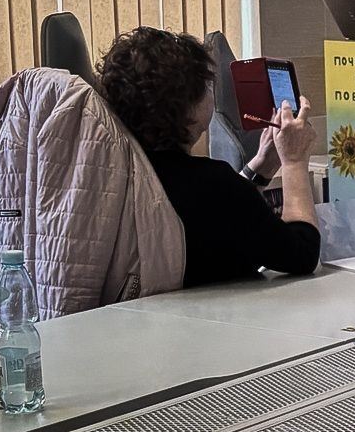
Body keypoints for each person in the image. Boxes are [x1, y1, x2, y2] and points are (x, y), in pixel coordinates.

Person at [98, 28, 320, 287]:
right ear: (187, 106)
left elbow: (230, 211)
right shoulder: (210, 184)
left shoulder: (120, 174)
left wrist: (261, 169)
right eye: (206, 86)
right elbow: (302, 254)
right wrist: (294, 162)